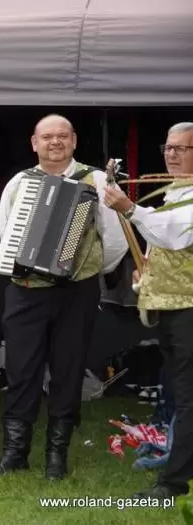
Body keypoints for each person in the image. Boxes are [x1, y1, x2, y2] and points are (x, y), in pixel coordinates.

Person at [0, 114, 128, 481]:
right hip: (26, 290)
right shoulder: (19, 182)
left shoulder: (96, 180)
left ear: (74, 140)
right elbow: (8, 234)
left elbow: (114, 239)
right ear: (34, 143)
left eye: (62, 136)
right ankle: (14, 452)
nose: (55, 142)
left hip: (76, 292)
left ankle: (56, 457)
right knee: (21, 369)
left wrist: (84, 270)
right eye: (47, 136)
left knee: (68, 369)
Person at [104, 121, 193, 499]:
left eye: (181, 148)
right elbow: (164, 243)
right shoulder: (176, 192)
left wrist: (130, 209)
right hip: (173, 309)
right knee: (181, 395)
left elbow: (174, 234)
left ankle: (174, 483)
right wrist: (147, 274)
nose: (171, 154)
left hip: (189, 311)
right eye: (168, 147)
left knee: (188, 399)